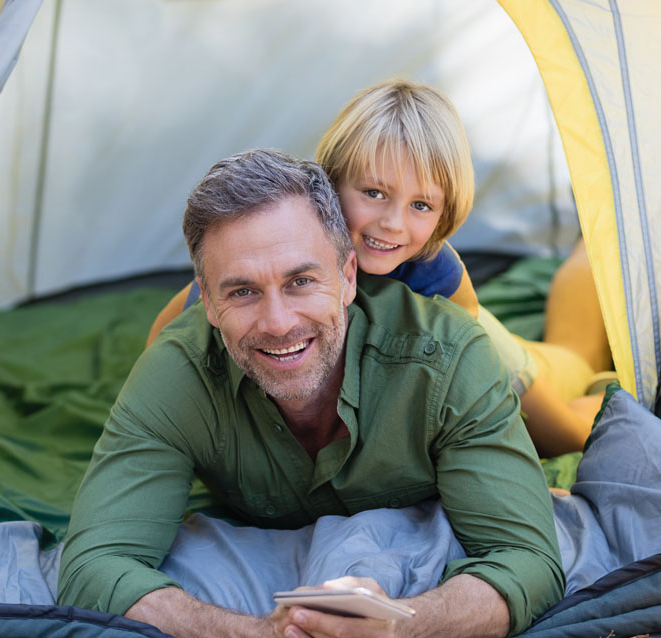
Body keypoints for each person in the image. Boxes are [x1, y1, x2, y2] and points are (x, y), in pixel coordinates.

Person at [58, 148, 564, 638]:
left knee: (572, 378)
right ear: (206, 301)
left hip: (532, 370)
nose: (278, 323)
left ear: (349, 276)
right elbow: (94, 564)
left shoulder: (450, 358)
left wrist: (404, 628)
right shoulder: (176, 373)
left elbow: (527, 559)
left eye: (301, 281)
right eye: (243, 291)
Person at [147, 81, 612, 458]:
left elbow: (469, 344)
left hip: (499, 356)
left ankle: (597, 240)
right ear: (332, 180)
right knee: (571, 344)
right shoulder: (284, 247)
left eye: (421, 205)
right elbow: (172, 328)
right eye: (373, 193)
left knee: (569, 420)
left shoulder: (435, 269)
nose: (392, 223)